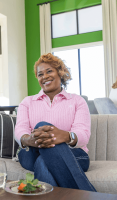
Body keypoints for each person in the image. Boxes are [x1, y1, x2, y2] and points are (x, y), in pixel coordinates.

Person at [15, 53, 96, 192]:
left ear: (60, 73)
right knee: (41, 128)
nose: (45, 76)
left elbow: (83, 134)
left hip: (74, 154)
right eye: (40, 74)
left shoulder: (77, 101)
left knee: (43, 161)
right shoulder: (27, 102)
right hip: (31, 152)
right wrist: (29, 140)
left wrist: (64, 136)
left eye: (49, 71)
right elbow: (20, 130)